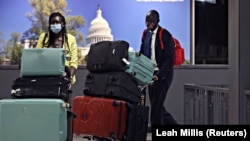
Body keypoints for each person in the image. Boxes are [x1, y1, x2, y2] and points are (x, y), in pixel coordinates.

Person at [139, 10, 178, 129]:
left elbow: (169, 59)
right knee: (158, 107)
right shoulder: (145, 34)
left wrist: (159, 75)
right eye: (147, 22)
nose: (148, 24)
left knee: (156, 107)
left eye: (150, 22)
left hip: (163, 75)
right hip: (150, 73)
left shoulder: (165, 34)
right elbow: (142, 53)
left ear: (157, 21)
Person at [36, 12, 78, 85]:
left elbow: (74, 63)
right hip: (46, 78)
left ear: (63, 24)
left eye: (57, 22)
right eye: (52, 23)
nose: (55, 25)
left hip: (64, 79)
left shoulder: (71, 39)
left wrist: (68, 79)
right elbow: (36, 56)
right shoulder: (43, 38)